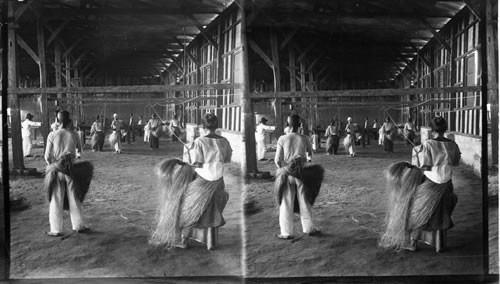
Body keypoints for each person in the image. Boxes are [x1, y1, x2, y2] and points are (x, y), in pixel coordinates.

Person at [150, 113, 232, 250]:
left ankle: (183, 241)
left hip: (202, 182)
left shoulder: (199, 142)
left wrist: (186, 154)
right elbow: (227, 159)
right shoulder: (225, 141)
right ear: (216, 126)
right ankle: (211, 242)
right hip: (218, 183)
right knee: (212, 210)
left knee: (185, 209)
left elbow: (195, 164)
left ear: (202, 126)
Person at [379, 116, 460, 252]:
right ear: (445, 129)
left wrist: (416, 152)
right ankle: (437, 242)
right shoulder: (453, 144)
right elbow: (456, 161)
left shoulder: (428, 144)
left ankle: (412, 243)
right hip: (447, 186)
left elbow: (421, 165)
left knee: (412, 209)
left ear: (431, 129)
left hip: (431, 184)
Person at [43, 110, 92, 236]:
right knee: (74, 198)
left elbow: (47, 156)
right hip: (71, 170)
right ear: (69, 120)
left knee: (56, 198)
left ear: (57, 121)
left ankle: (56, 230)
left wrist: (53, 166)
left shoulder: (52, 134)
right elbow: (79, 152)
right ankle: (79, 226)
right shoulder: (74, 134)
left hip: (57, 170)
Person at [274, 114, 323, 239]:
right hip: (301, 173)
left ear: (288, 124)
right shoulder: (305, 138)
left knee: (286, 202)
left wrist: (283, 169)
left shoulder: (282, 138)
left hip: (287, 173)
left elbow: (277, 160)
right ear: (299, 125)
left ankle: (286, 232)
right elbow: (310, 156)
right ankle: (308, 228)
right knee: (304, 200)